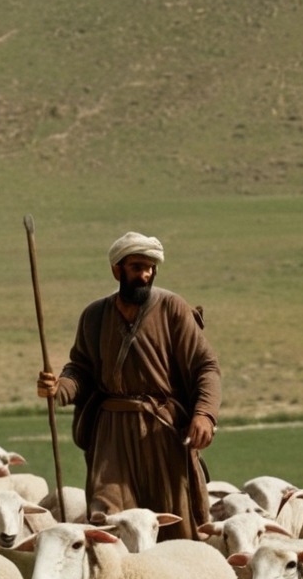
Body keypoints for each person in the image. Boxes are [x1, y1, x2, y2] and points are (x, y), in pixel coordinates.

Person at [37, 231, 221, 539]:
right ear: (117, 270)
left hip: (162, 430)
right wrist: (60, 388)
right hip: (112, 434)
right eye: (137, 267)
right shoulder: (94, 316)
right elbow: (80, 368)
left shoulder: (172, 308)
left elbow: (206, 365)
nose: (145, 274)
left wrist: (205, 414)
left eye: (150, 267)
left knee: (174, 522)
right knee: (107, 518)